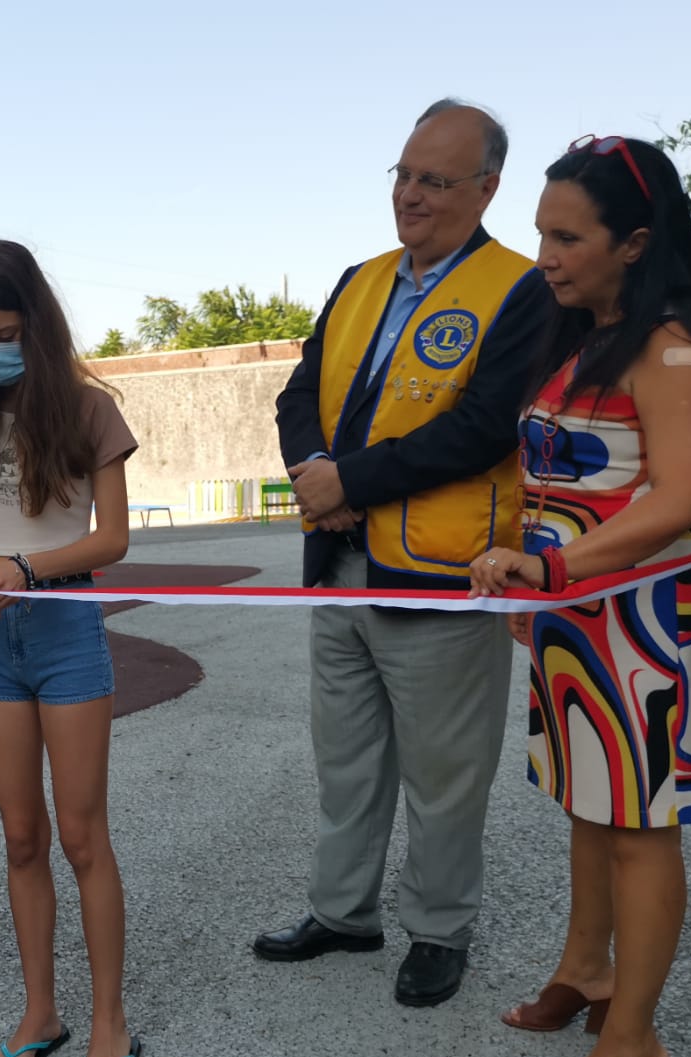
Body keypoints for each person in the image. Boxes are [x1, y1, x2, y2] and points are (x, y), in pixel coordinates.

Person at [469, 136, 691, 1057]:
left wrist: (551, 568)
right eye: (541, 231)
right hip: (578, 612)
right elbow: (554, 476)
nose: (542, 253)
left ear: (633, 244)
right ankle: (585, 971)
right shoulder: (578, 335)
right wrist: (528, 577)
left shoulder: (667, 346)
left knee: (639, 828)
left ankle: (634, 1042)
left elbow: (680, 496)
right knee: (588, 805)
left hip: (653, 618)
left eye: (565, 236)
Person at [258, 99, 551, 1007]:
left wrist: (354, 484)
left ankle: (439, 928)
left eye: (434, 179)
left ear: (486, 188)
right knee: (344, 759)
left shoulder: (523, 290)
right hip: (339, 571)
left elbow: (483, 427)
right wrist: (315, 470)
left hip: (443, 576)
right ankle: (345, 913)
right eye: (402, 174)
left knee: (445, 773)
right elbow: (298, 394)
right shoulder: (360, 278)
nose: (410, 196)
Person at [0, 240, 140, 1057]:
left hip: (61, 630)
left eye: (5, 333)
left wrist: (24, 568)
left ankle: (108, 1023)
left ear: (37, 326)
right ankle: (40, 1013)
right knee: (21, 838)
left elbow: (114, 538)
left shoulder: (88, 409)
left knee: (82, 834)